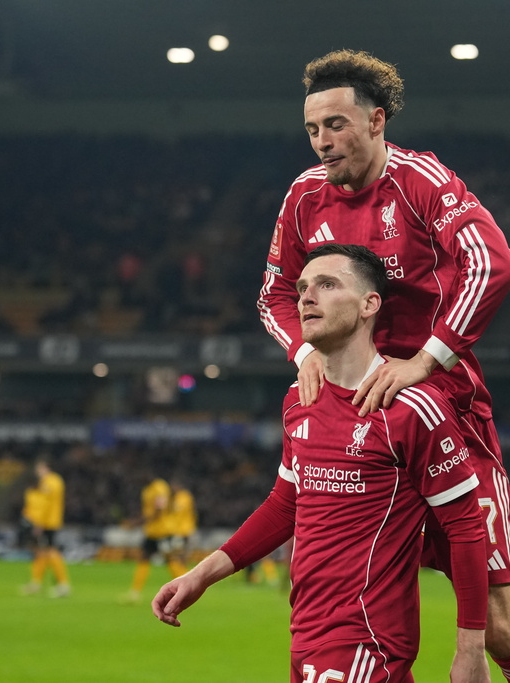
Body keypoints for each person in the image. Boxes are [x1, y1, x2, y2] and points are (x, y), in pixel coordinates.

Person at [258, 48, 510, 683]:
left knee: (500, 628)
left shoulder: (421, 182)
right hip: (354, 425)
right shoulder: (304, 196)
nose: (322, 142)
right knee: (354, 614)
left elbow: (493, 264)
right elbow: (274, 293)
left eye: (336, 125)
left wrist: (425, 361)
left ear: (377, 119)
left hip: (441, 413)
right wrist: (304, 350)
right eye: (312, 129)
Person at [155, 244, 490, 683]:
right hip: (306, 633)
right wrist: (203, 574)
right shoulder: (299, 399)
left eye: (327, 285)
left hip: (365, 639)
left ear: (371, 304)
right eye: (302, 288)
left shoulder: (412, 407)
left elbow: (465, 526)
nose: (306, 297)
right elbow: (286, 505)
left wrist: (470, 650)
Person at [121, 475, 187, 605]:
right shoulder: (148, 489)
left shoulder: (159, 487)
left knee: (171, 560)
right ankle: (135, 592)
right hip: (152, 532)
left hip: (163, 531)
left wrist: (136, 522)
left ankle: (189, 587)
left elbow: (159, 510)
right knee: (144, 559)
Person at [20, 459, 71, 598]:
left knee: (50, 551)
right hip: (52, 520)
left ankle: (63, 584)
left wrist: (39, 523)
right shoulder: (57, 481)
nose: (38, 471)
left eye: (40, 468)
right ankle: (36, 583)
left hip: (48, 522)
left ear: (46, 468)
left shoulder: (48, 482)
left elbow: (46, 505)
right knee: (42, 552)